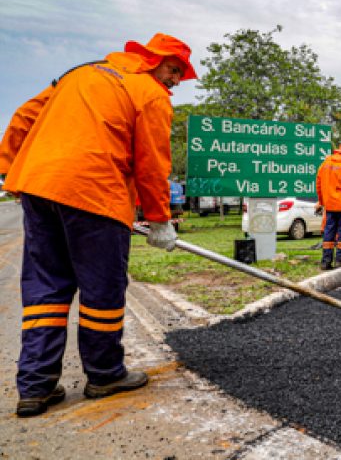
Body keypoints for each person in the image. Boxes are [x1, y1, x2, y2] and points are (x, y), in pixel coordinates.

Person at [0, 33, 196, 417]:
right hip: (95, 190)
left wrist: (10, 169)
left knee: (46, 287)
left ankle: (36, 387)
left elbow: (24, 116)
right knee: (101, 286)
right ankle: (105, 374)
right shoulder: (149, 92)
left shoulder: (80, 75)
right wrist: (159, 219)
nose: (175, 80)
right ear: (152, 61)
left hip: (40, 186)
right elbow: (152, 162)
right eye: (174, 70)